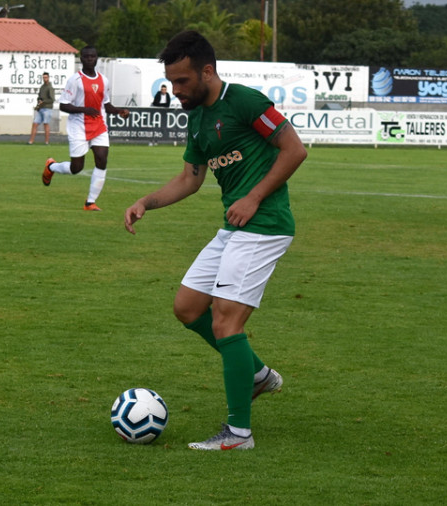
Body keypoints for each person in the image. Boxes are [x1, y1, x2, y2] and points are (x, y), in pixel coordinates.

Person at [124, 31, 307, 451]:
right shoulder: (197, 118)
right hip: (235, 228)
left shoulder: (245, 102)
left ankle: (239, 434)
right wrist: (145, 203)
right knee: (187, 307)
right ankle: (258, 375)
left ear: (208, 71)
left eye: (183, 82)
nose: (176, 91)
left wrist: (253, 196)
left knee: (226, 322)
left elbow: (294, 149)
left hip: (265, 225)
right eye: (171, 83)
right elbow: (190, 178)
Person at [41, 46, 130, 211]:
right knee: (76, 168)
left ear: (96, 59)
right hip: (78, 127)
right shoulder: (75, 80)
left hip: (99, 126)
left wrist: (119, 112)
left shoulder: (104, 80)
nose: (90, 59)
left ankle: (90, 202)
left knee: (102, 159)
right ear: (81, 59)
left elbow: (106, 104)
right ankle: (51, 166)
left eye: (93, 56)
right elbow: (63, 105)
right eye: (87, 57)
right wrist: (84, 109)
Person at [28, 72, 55, 145]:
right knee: (35, 124)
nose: (45, 79)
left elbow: (52, 99)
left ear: (48, 78)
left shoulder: (50, 87)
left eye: (46, 77)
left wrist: (43, 101)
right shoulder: (42, 87)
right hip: (41, 108)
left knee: (46, 124)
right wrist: (38, 102)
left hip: (47, 109)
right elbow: (39, 96)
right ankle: (31, 141)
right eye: (44, 77)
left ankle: (46, 142)